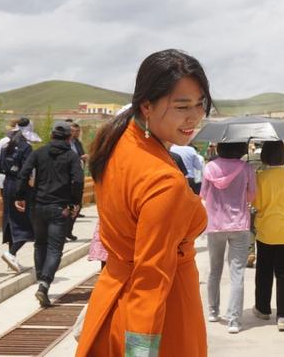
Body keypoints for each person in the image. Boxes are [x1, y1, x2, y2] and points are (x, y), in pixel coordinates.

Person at [76, 49, 211, 357]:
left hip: (112, 299)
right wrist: (139, 352)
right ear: (146, 105)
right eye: (181, 106)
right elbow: (151, 279)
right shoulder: (164, 181)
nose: (194, 116)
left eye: (200, 104)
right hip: (163, 318)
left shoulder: (116, 140)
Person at [15, 121, 84, 306]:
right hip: (59, 208)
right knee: (55, 248)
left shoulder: (38, 153)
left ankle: (41, 282)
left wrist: (20, 196)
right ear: (69, 138)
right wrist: (75, 202)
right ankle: (44, 285)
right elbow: (78, 181)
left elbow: (24, 173)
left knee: (40, 244)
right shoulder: (71, 156)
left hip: (37, 206)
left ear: (52, 136)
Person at [201, 142, 256, 334]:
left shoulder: (209, 167)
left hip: (215, 224)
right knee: (237, 274)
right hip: (239, 224)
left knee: (214, 270)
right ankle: (234, 320)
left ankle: (213, 311)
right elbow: (251, 197)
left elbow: (204, 194)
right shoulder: (247, 168)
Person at [251, 141, 284, 332]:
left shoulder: (261, 177)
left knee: (264, 272)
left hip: (266, 231)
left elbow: (258, 204)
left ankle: (263, 308)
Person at [0, 121, 38, 273]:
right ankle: (11, 253)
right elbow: (28, 171)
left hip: (7, 184)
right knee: (26, 223)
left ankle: (11, 258)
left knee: (11, 220)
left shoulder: (5, 146)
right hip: (20, 186)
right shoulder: (26, 148)